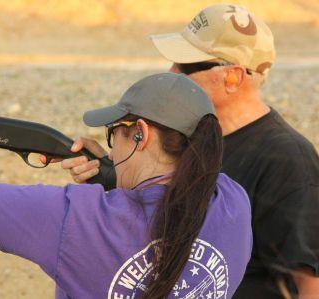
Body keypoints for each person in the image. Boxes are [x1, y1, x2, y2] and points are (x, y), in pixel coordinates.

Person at [0, 73, 252, 298]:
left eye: (113, 133)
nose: (109, 143)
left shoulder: (78, 221)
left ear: (141, 134)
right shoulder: (233, 202)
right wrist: (109, 175)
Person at [60, 4, 319, 298]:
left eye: (186, 66)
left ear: (232, 77)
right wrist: (110, 168)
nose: (171, 73)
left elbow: (310, 282)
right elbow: (163, 205)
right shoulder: (185, 135)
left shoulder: (287, 160)